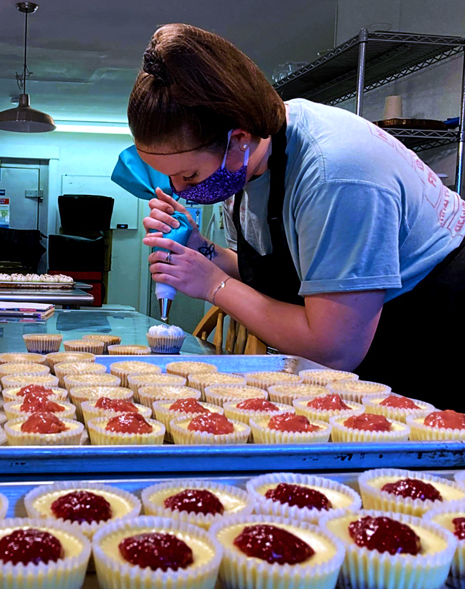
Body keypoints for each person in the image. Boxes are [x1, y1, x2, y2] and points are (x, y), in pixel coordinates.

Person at [131, 24, 465, 403]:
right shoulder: (246, 164)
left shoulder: (335, 173)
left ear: (238, 139)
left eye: (189, 174)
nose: (180, 190)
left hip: (436, 330)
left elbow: (334, 349)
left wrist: (212, 285)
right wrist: (201, 249)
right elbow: (284, 274)